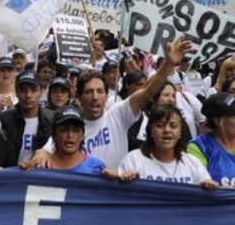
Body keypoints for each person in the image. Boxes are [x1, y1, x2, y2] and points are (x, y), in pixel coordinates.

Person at [36, 35, 193, 168]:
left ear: (107, 96)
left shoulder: (118, 115)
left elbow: (147, 91)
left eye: (100, 91)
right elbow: (46, 151)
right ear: (79, 97)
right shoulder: (72, 129)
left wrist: (168, 65)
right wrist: (41, 152)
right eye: (89, 92)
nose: (95, 97)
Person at [119, 105, 218, 187]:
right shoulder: (133, 160)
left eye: (173, 126)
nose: (167, 130)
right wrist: (125, 181)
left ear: (180, 133)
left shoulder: (193, 163)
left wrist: (208, 186)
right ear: (151, 131)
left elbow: (208, 197)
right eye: (160, 125)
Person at [26, 106, 109, 175]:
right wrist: (25, 172)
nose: (70, 135)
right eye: (64, 130)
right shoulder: (41, 165)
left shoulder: (97, 168)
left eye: (76, 130)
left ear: (82, 136)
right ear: (54, 135)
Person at [0, 70, 54, 165]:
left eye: (33, 90)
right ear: (16, 92)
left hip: (41, 173)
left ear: (41, 92)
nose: (28, 95)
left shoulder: (53, 120)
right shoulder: (3, 120)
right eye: (23, 90)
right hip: (10, 172)